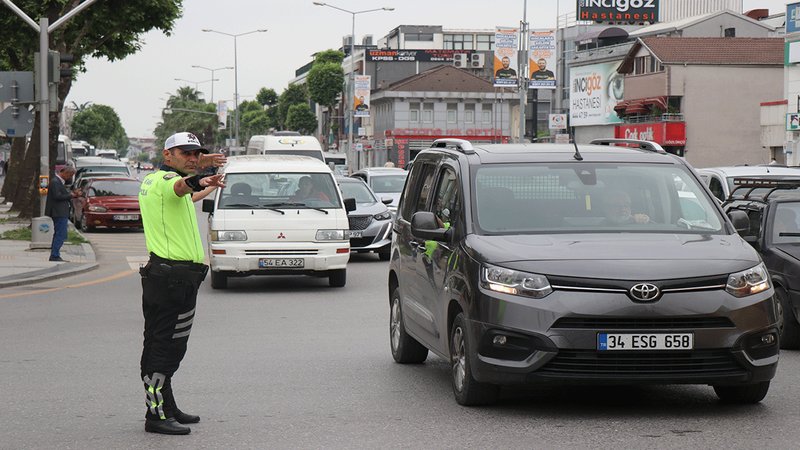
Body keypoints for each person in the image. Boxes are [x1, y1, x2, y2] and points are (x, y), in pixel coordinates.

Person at [137, 132, 226, 435]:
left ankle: (166, 406)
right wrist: (199, 177)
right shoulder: (167, 181)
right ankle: (157, 415)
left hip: (165, 277)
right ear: (167, 155)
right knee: (166, 350)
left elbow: (186, 195)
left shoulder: (152, 182)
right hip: (173, 280)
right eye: (185, 153)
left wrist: (205, 182)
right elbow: (181, 187)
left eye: (195, 153)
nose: (192, 158)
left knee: (159, 345)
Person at [45, 166, 80, 262]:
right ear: (64, 172)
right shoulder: (55, 182)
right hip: (58, 212)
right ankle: (55, 255)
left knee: (60, 233)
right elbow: (57, 196)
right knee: (60, 234)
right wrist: (70, 195)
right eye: (70, 175)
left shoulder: (58, 182)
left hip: (60, 211)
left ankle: (55, 254)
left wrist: (72, 195)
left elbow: (61, 194)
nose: (70, 177)